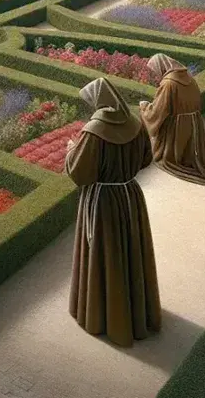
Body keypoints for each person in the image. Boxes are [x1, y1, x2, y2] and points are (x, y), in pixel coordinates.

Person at [65, 77, 161, 348]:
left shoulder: (93, 132)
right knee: (132, 252)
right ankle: (136, 313)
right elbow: (146, 159)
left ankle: (104, 318)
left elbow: (80, 173)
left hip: (102, 201)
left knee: (105, 254)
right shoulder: (134, 123)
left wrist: (72, 150)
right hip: (130, 196)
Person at [139, 54, 205, 188]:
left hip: (176, 125)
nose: (156, 74)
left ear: (162, 67)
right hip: (193, 122)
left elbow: (157, 111)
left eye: (155, 70)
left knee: (165, 160)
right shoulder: (188, 78)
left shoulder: (169, 84)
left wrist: (144, 107)